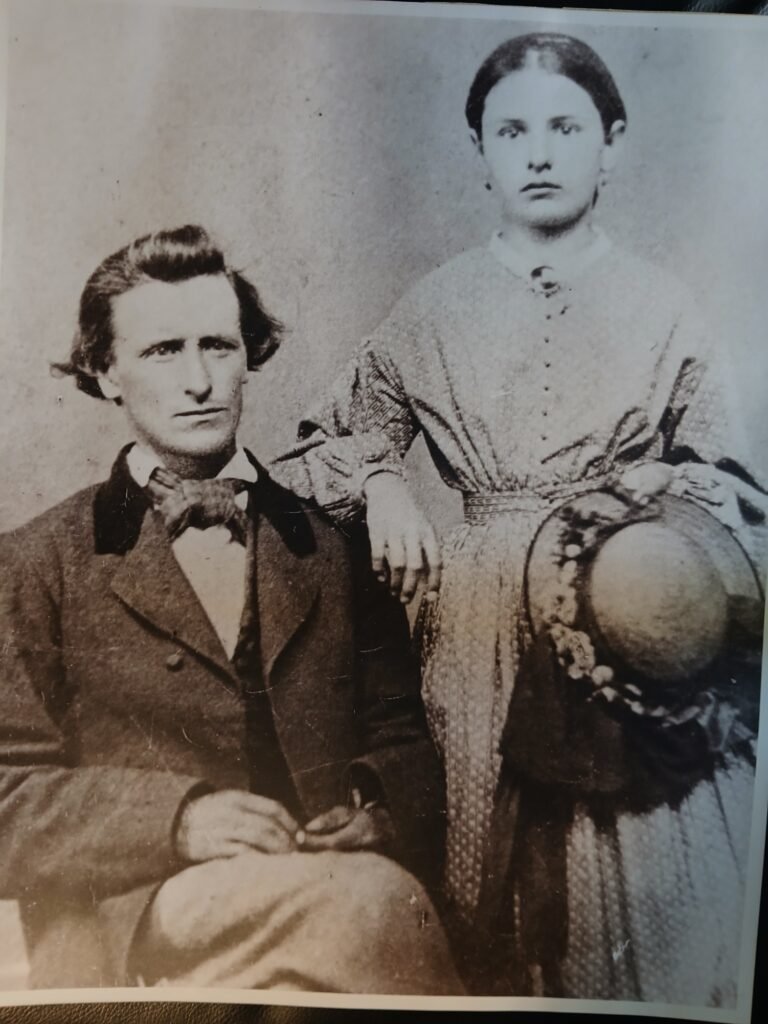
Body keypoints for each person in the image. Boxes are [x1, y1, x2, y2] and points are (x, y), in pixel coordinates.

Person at [274, 33, 767, 1004]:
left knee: (651, 888)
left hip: (625, 618)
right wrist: (383, 485)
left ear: (611, 143)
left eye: (565, 129)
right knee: (484, 871)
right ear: (481, 152)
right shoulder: (434, 307)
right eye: (511, 132)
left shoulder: (666, 309)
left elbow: (739, 494)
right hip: (475, 631)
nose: (538, 154)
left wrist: (658, 514)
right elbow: (318, 450)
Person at [0, 224, 464, 994]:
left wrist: (378, 806)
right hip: (137, 914)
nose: (199, 381)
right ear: (106, 373)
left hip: (318, 882)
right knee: (374, 906)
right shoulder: (35, 561)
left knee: (375, 904)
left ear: (249, 356)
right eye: (163, 351)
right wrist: (178, 820)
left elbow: (404, 738)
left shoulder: (335, 546)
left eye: (217, 346)